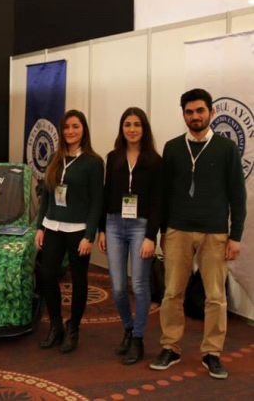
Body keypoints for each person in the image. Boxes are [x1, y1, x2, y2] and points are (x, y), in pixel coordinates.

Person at [149, 89, 247, 379]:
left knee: (215, 296)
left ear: (211, 112)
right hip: (177, 230)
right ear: (183, 115)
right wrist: (162, 231)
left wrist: (235, 235)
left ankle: (212, 353)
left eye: (200, 110)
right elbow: (164, 193)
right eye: (189, 112)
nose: (195, 116)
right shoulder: (172, 148)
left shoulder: (227, 148)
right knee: (171, 293)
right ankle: (170, 347)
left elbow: (238, 195)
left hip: (214, 233)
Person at [35, 109, 104, 353]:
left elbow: (97, 202)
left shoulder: (93, 162)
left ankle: (73, 327)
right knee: (47, 275)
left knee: (78, 279)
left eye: (75, 126)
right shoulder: (56, 159)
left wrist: (89, 235)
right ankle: (56, 325)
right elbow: (47, 195)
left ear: (84, 129)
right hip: (52, 226)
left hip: (78, 230)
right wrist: (40, 226)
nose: (70, 131)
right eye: (66, 127)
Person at [98, 107, 163, 365]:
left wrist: (151, 236)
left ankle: (138, 338)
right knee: (117, 287)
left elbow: (158, 201)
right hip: (114, 224)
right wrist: (102, 229)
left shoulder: (155, 161)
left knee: (139, 284)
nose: (132, 129)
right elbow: (106, 194)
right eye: (127, 124)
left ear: (144, 129)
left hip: (140, 227)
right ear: (122, 128)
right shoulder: (113, 157)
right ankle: (128, 327)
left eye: (137, 124)